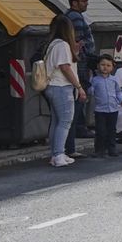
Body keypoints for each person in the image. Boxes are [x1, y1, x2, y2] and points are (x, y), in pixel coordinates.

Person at [42, 15, 84, 167]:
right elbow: (65, 67)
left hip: (52, 86)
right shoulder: (63, 45)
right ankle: (59, 154)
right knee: (65, 121)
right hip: (61, 87)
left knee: (56, 121)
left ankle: (55, 153)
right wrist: (79, 87)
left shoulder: (53, 44)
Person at [66, 0, 96, 148]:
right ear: (74, 3)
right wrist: (87, 60)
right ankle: (79, 127)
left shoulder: (71, 16)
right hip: (81, 64)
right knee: (80, 96)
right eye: (83, 1)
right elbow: (79, 42)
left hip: (80, 63)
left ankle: (79, 127)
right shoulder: (76, 17)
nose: (86, 4)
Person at [89, 53, 122, 158]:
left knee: (112, 130)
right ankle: (99, 149)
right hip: (100, 110)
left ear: (112, 67)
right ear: (98, 66)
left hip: (113, 109)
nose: (105, 67)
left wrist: (121, 100)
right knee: (100, 130)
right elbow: (91, 91)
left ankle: (112, 148)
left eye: (108, 65)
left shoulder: (114, 79)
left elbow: (118, 92)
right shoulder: (94, 80)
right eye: (103, 64)